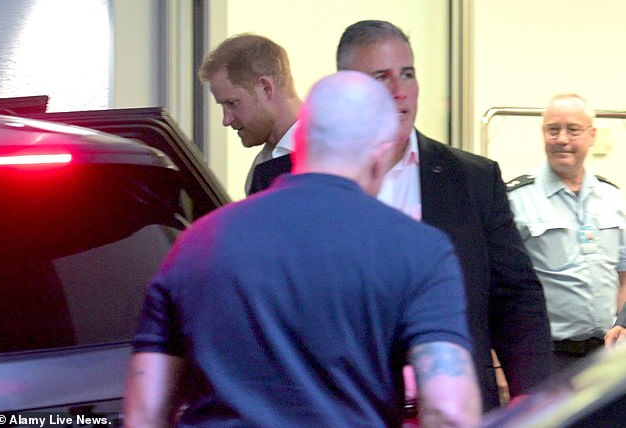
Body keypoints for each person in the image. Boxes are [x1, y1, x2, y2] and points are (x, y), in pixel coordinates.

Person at [123, 71, 482, 428]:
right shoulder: (419, 250)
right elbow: (448, 410)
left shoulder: (196, 243)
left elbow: (144, 413)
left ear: (304, 140)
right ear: (381, 154)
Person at [252, 19, 552, 410]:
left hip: (448, 412)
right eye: (381, 78)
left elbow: (516, 297)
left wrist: (532, 397)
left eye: (407, 74)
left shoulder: (474, 180)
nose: (398, 92)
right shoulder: (281, 178)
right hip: (333, 410)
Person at [507, 93, 626, 371]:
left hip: (606, 355)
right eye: (553, 129)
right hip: (545, 356)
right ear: (543, 134)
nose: (562, 139)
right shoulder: (516, 200)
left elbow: (623, 274)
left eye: (573, 129)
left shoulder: (613, 198)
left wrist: (622, 324)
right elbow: (501, 288)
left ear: (592, 135)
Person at [198, 33, 302, 195]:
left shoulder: (334, 155)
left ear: (265, 88)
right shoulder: (262, 165)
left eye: (232, 103)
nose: (226, 120)